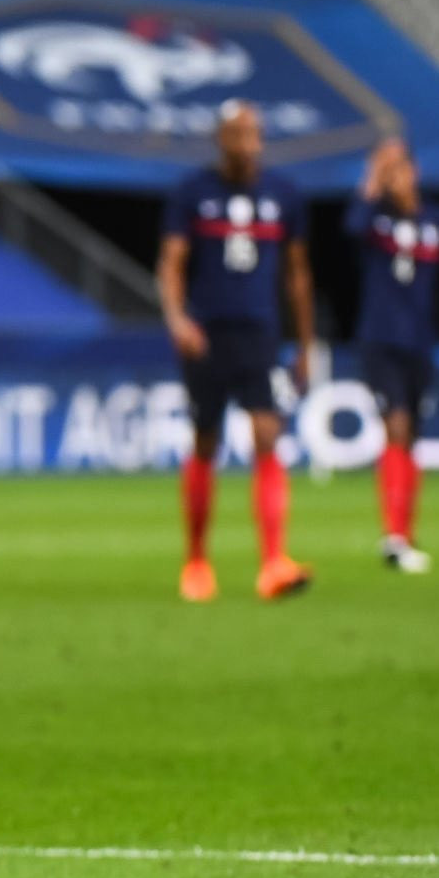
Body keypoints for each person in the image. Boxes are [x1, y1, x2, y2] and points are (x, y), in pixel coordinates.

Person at [157, 102, 314, 604]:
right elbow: (172, 263)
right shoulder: (192, 193)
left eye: (254, 133)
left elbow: (297, 275)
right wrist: (178, 319)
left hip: (260, 333)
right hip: (207, 334)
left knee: (268, 432)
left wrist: (307, 344)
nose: (247, 142)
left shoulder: (283, 195)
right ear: (220, 139)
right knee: (206, 441)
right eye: (237, 134)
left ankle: (273, 563)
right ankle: (197, 561)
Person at [347, 138, 439, 573]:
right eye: (390, 175)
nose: (396, 181)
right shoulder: (376, 221)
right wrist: (373, 174)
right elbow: (351, 227)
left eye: (401, 171)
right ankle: (393, 534)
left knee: (413, 437)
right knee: (396, 427)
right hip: (380, 340)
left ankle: (405, 531)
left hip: (421, 342)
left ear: (416, 173)